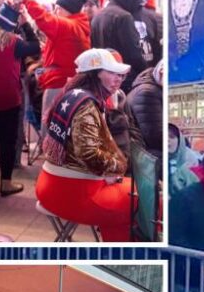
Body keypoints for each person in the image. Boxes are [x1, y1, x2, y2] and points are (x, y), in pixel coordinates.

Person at [35, 48, 133, 241]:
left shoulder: (70, 94)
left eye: (120, 74)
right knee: (147, 200)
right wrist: (118, 167)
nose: (118, 79)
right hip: (74, 194)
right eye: (112, 73)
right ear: (95, 74)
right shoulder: (87, 104)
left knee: (130, 199)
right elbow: (89, 154)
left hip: (51, 185)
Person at [0, 0, 40, 197]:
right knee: (7, 143)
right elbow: (36, 46)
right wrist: (25, 24)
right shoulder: (15, 43)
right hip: (9, 101)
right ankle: (6, 183)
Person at [17, 0, 91, 135]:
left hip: (58, 84)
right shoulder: (79, 26)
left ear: (66, 11)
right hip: (69, 82)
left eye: (58, 9)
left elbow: (45, 19)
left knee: (51, 132)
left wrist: (27, 1)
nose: (55, 12)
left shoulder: (68, 25)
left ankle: (50, 155)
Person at [91, 0, 147, 91]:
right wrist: (146, 72)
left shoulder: (98, 16)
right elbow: (133, 54)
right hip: (123, 79)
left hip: (102, 77)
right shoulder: (124, 17)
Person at [126, 59, 163, 157]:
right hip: (147, 156)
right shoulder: (147, 93)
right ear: (162, 71)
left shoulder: (155, 88)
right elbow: (154, 137)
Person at [168, 123, 199, 196]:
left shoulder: (188, 160)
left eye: (171, 137)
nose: (167, 140)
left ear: (179, 140)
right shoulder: (154, 162)